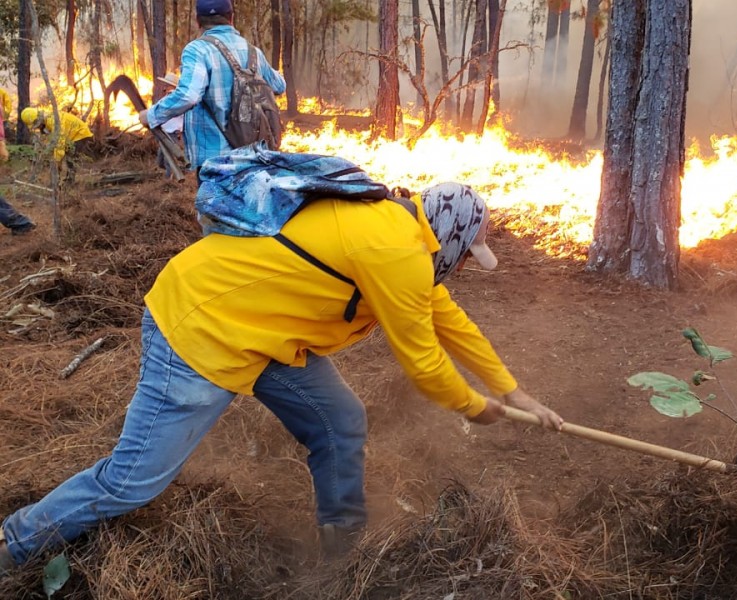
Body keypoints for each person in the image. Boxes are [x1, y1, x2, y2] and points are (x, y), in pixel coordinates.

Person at [0, 178, 563, 573]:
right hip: (204, 327)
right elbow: (424, 362)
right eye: (467, 255)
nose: (465, 267)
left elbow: (452, 325)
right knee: (131, 482)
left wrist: (515, 392)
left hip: (262, 334)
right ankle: (13, 544)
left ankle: (341, 549)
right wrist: (475, 406)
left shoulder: (403, 233)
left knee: (340, 421)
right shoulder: (396, 251)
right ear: (452, 235)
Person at [138, 0, 285, 177]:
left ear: (198, 21)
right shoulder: (254, 52)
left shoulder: (197, 50)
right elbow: (279, 85)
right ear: (231, 18)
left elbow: (188, 96)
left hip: (216, 161)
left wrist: (151, 115)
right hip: (255, 157)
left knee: (217, 205)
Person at [19, 107, 93, 181]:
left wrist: (56, 162)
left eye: (36, 124)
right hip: (70, 134)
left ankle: (69, 181)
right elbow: (50, 141)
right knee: (63, 156)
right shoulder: (46, 121)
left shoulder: (54, 121)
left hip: (81, 134)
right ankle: (62, 180)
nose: (37, 127)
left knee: (71, 158)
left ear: (38, 119)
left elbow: (59, 143)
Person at [154, 73, 185, 179]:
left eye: (167, 84)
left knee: (169, 160)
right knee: (160, 160)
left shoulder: (174, 99)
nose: (165, 86)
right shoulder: (167, 98)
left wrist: (180, 130)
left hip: (172, 133)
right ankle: (173, 173)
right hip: (164, 132)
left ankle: (170, 181)